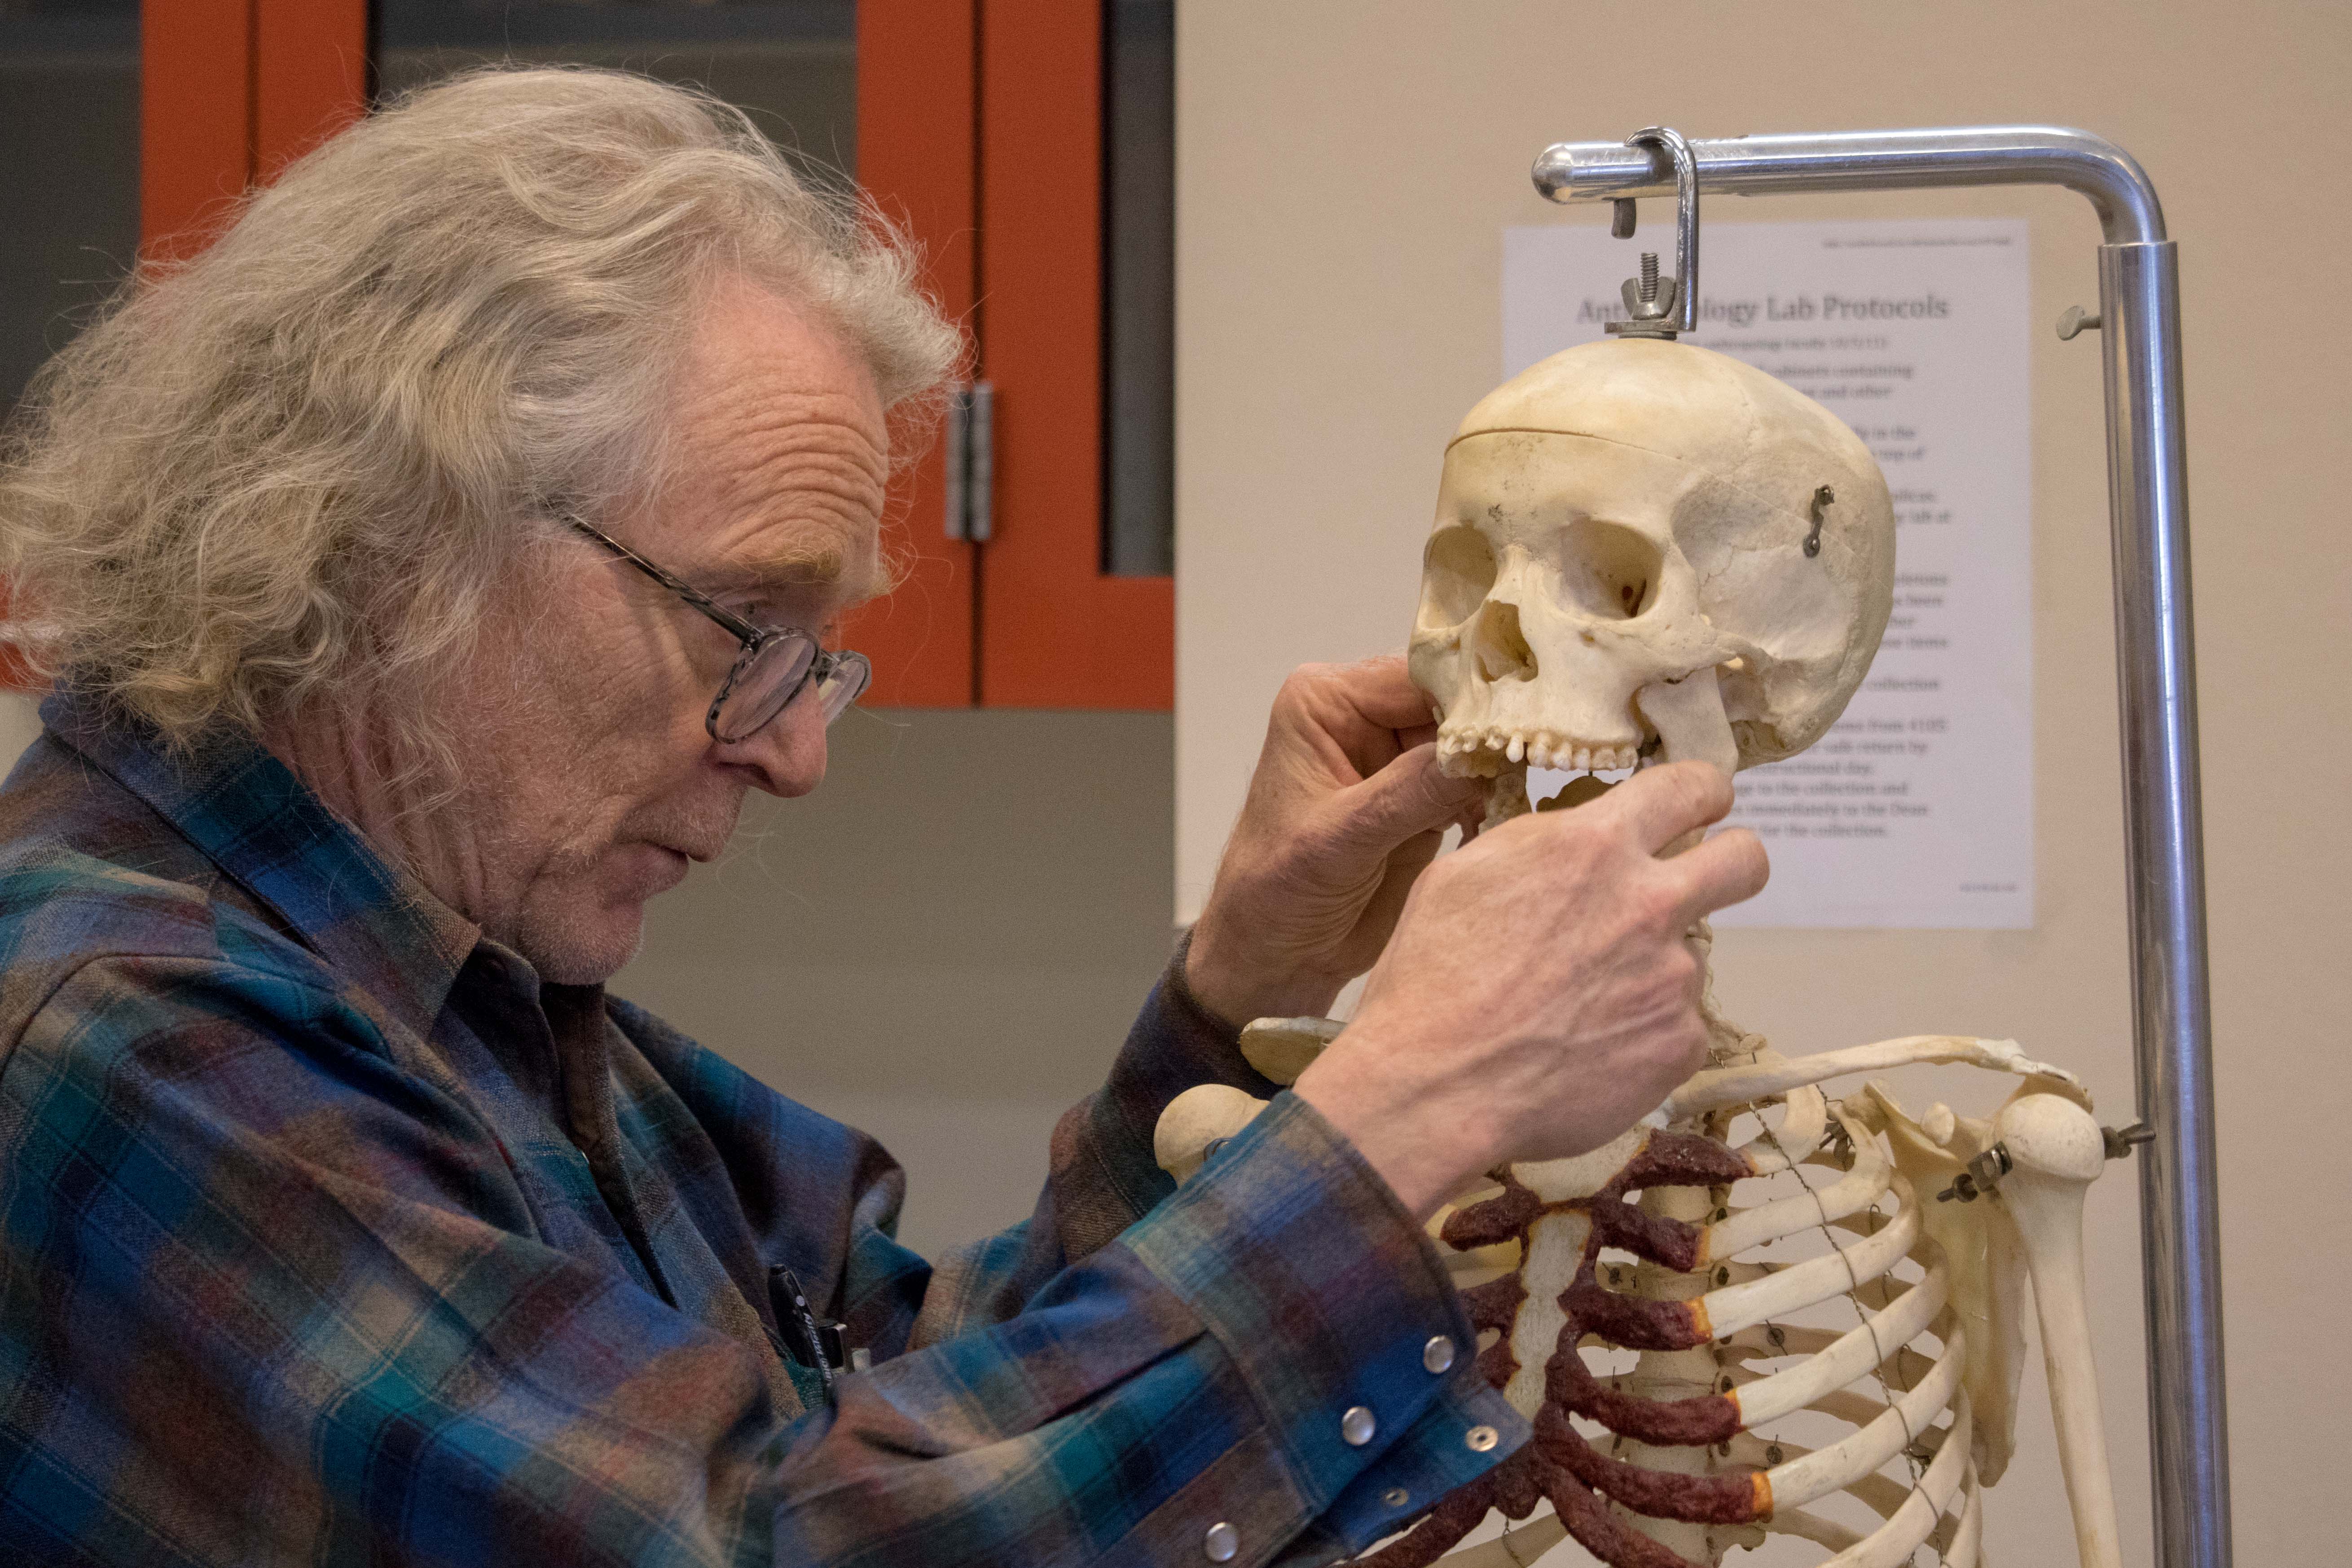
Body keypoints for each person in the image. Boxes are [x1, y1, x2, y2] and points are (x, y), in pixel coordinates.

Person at [0, 69, 1765, 1566]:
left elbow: (919, 1412)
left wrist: (1236, 992)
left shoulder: (466, 987)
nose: (791, 754)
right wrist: (1419, 1099)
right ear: (391, 539)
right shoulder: (110, 1038)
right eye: (743, 625)